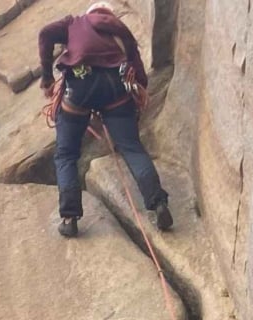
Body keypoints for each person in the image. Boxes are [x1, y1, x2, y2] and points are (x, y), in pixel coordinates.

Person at [38, 2, 172, 238]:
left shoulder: (74, 23)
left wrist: (47, 77)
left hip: (80, 86)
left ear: (90, 14)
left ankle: (70, 218)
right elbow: (139, 76)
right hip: (116, 88)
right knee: (131, 147)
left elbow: (45, 34)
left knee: (67, 154)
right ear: (108, 15)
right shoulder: (121, 32)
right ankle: (159, 202)